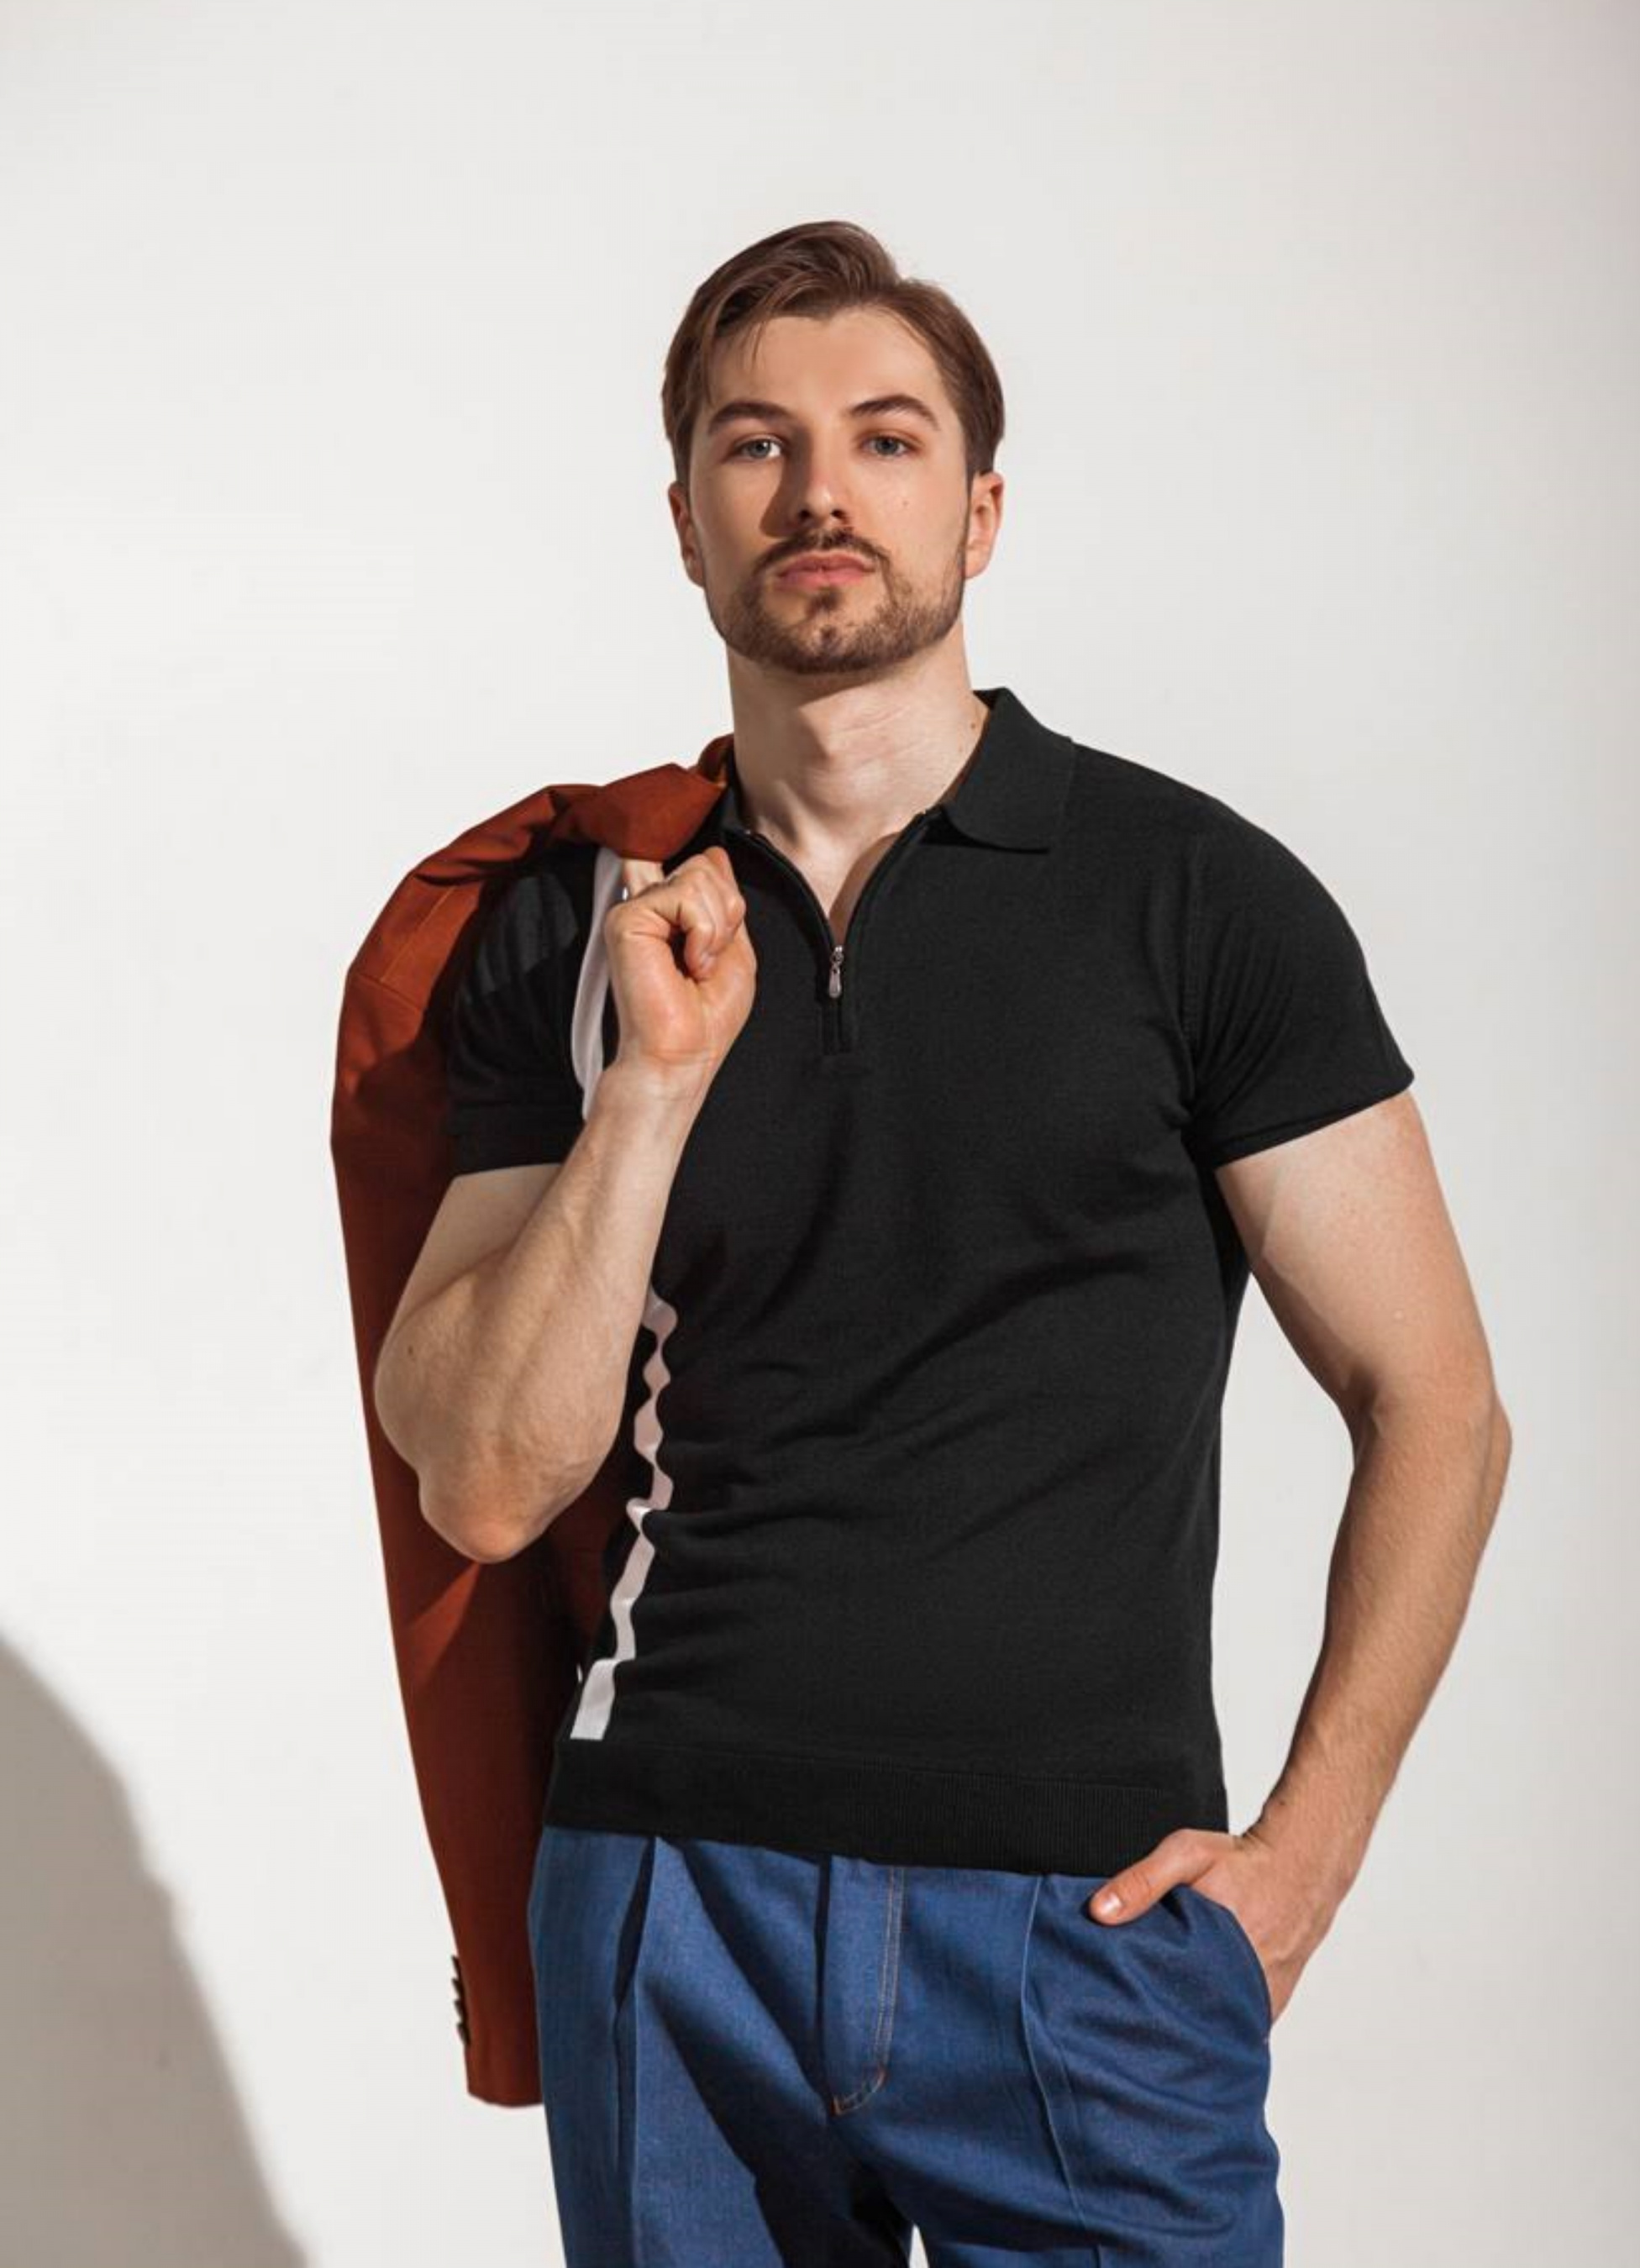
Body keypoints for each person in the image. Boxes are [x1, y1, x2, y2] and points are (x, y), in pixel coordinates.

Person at [374, 218, 1512, 2266]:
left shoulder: (1193, 900)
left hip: (1082, 1925)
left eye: (884, 439)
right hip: (671, 1902)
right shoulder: (580, 928)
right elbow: (481, 1477)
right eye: (756, 444)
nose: (819, 490)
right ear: (684, 521)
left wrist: (1305, 1857)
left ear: (976, 511)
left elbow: (1431, 1400)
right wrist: (647, 1091)